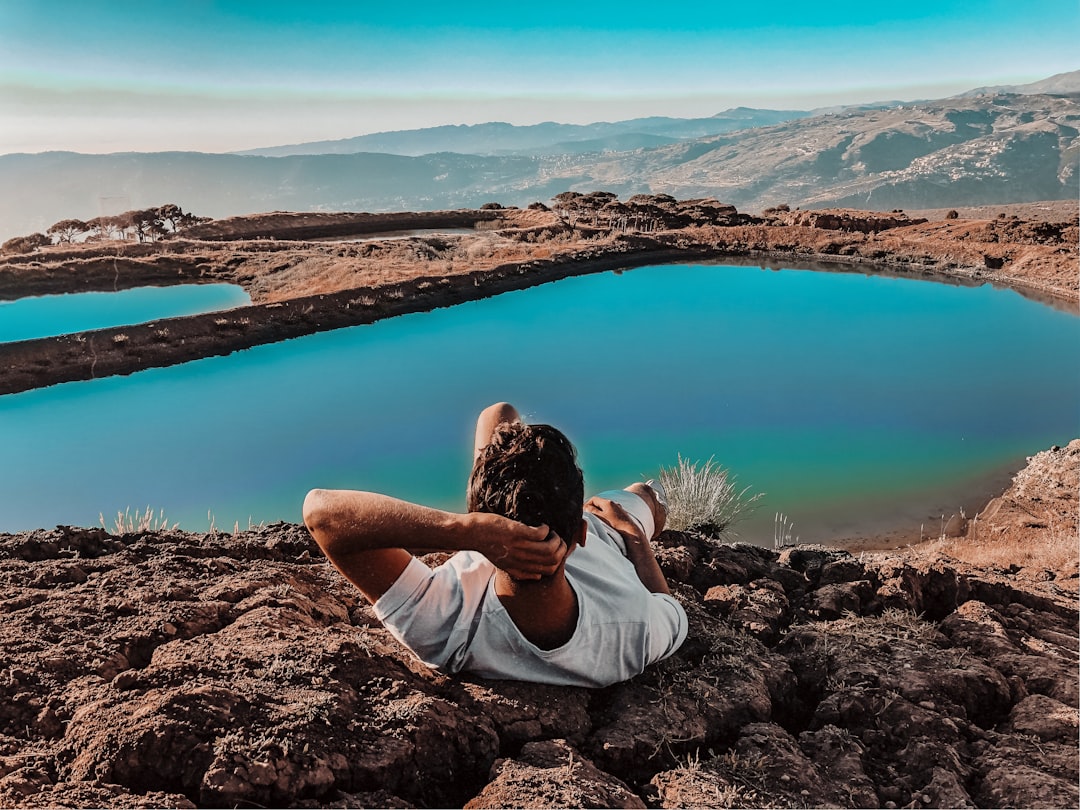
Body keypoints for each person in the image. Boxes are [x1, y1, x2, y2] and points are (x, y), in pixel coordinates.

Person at [302, 402, 687, 687]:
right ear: (579, 538)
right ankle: (558, 499)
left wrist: (465, 530)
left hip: (509, 523)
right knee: (646, 495)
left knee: (498, 415)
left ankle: (501, 493)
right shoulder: (632, 630)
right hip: (609, 530)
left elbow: (321, 512)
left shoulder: (446, 622)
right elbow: (669, 605)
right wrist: (635, 538)